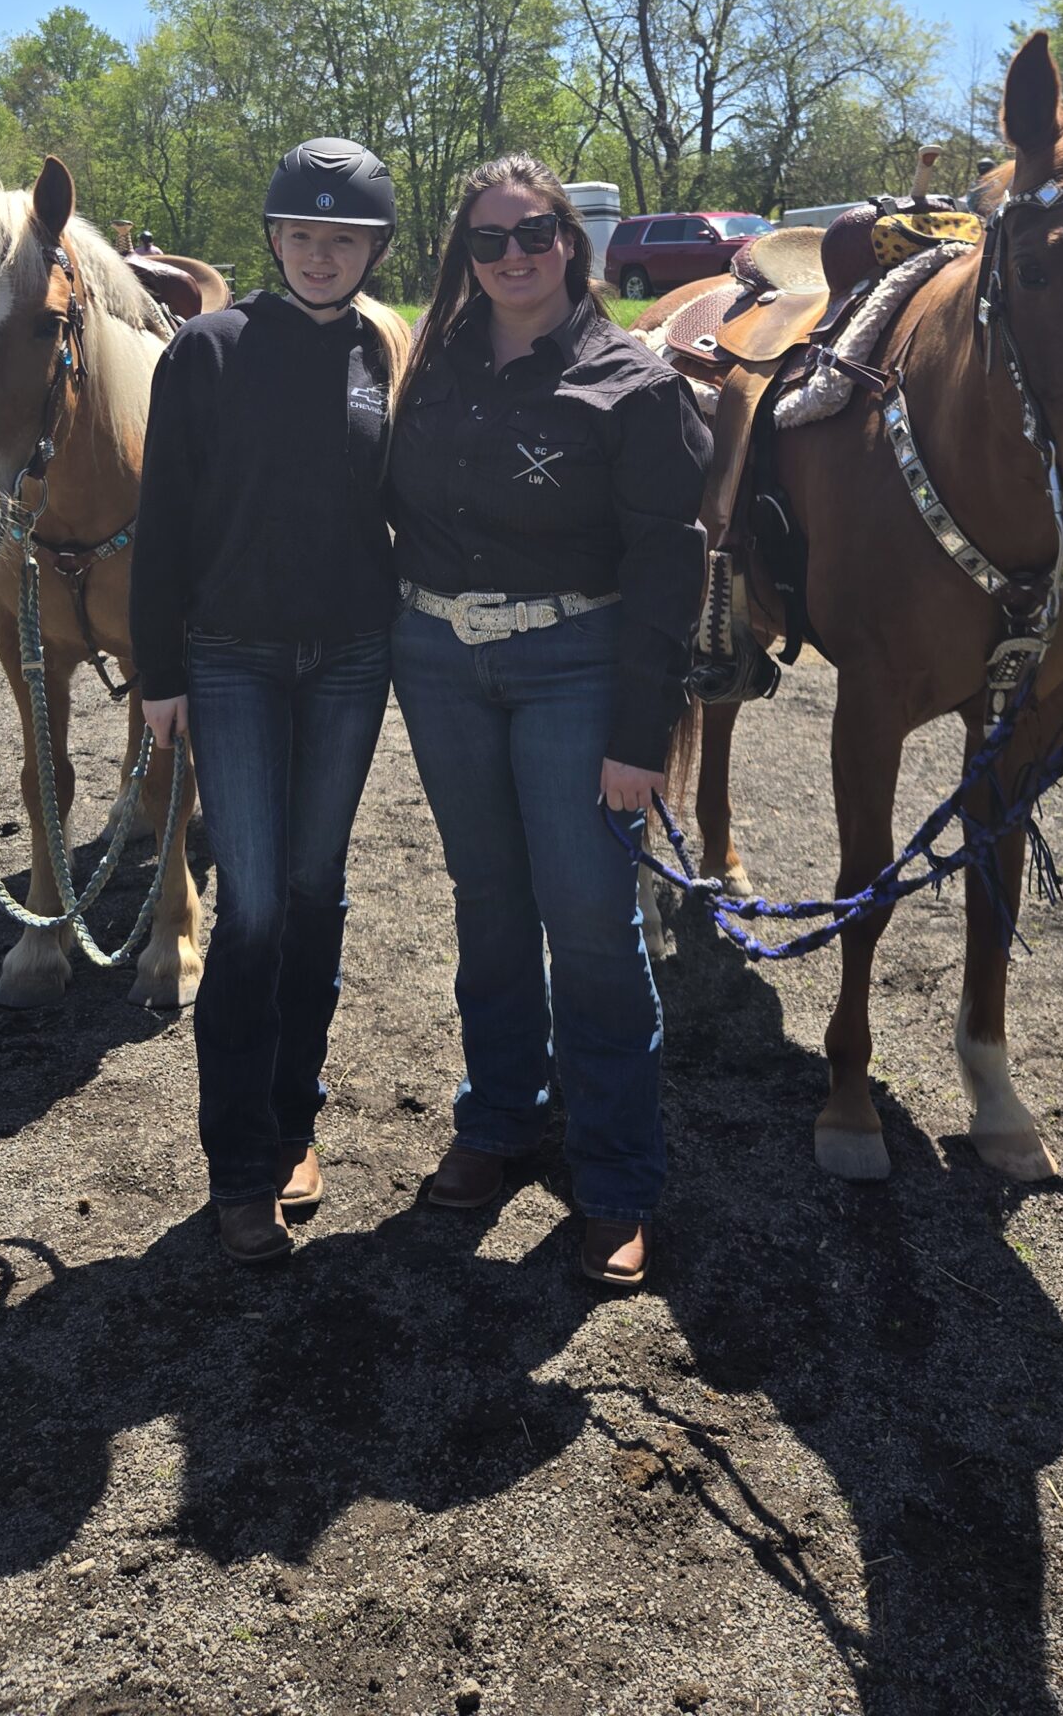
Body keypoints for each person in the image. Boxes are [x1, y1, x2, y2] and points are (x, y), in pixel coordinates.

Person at [388, 153, 712, 1289]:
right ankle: (501, 1115)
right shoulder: (430, 364)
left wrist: (639, 735)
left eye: (534, 232)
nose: (513, 255)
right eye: (489, 239)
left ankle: (615, 1179)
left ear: (571, 242)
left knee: (588, 924)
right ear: (464, 255)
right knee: (487, 903)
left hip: (574, 660)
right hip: (438, 658)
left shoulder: (634, 384)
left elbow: (669, 569)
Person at [132, 138, 407, 1264]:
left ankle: (296, 1119)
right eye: (302, 235)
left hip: (350, 657)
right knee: (248, 909)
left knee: (313, 890)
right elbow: (162, 520)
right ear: (275, 240)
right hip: (233, 657)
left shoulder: (381, 353)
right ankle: (239, 1163)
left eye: (343, 239)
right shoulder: (207, 350)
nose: (320, 255)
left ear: (373, 250)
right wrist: (160, 672)